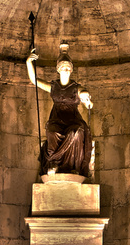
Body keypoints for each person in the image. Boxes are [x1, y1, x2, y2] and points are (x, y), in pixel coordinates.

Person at [26, 45, 95, 178]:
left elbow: (84, 95)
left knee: (75, 133)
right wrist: (29, 62)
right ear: (58, 70)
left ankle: (71, 167)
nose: (66, 70)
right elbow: (34, 80)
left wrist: (87, 100)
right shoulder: (53, 87)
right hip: (56, 119)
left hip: (73, 120)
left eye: (68, 68)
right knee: (52, 132)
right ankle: (54, 163)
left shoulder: (76, 88)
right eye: (63, 67)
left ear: (71, 70)